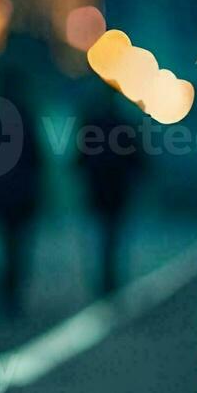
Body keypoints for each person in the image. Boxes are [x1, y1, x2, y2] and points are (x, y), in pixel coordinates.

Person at [0, 71, 43, 315]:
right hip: (19, 194)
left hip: (1, 192)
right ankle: (9, 292)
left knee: (8, 244)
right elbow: (36, 157)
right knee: (16, 246)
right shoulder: (23, 114)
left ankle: (5, 290)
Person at [75, 98, 146, 296]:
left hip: (97, 188)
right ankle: (110, 277)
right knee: (113, 236)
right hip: (117, 189)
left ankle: (103, 277)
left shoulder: (91, 124)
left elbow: (81, 157)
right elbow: (136, 158)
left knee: (100, 235)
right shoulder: (123, 124)